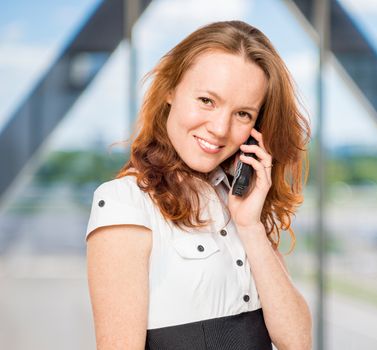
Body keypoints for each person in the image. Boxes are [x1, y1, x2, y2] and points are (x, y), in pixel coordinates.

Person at [85, 20, 312, 349]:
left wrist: (249, 226)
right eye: (207, 100)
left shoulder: (237, 201)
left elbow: (297, 341)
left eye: (243, 114)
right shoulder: (124, 203)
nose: (220, 128)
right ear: (170, 90)